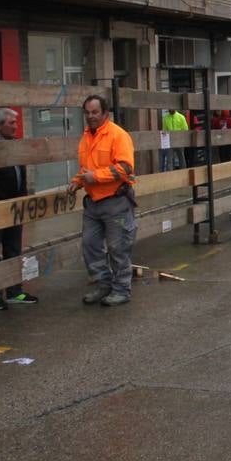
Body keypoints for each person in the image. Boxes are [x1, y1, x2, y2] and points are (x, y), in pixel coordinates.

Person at [69, 95, 136, 307]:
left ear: (105, 113)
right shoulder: (86, 137)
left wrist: (95, 177)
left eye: (95, 112)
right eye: (87, 112)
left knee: (118, 248)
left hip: (115, 201)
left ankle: (121, 289)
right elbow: (86, 168)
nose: (90, 116)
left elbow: (126, 168)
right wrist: (77, 182)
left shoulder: (118, 135)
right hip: (93, 203)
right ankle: (103, 284)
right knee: (89, 245)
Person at [0, 107, 38, 310]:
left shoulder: (14, 144)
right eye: (12, 123)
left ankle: (14, 291)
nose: (16, 127)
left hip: (15, 206)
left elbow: (21, 172)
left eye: (16, 123)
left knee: (13, 249)